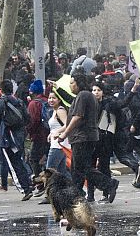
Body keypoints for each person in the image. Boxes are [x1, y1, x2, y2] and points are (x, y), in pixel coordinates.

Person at [53, 74, 119, 203]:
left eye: (72, 83)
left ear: (79, 83)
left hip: (83, 138)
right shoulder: (83, 96)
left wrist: (65, 134)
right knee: (77, 169)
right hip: (82, 137)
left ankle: (109, 184)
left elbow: (77, 117)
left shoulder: (84, 95)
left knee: (83, 167)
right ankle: (77, 194)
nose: (71, 85)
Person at [0, 80, 34, 200]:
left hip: (6, 137)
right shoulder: (19, 102)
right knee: (13, 160)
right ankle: (17, 183)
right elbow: (27, 118)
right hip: (19, 136)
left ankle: (25, 188)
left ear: (1, 90)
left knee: (12, 164)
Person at [27, 79, 50, 177]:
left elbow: (33, 121)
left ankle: (39, 181)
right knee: (47, 158)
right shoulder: (47, 100)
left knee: (33, 159)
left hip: (38, 136)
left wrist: (29, 132)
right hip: (49, 134)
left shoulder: (33, 104)